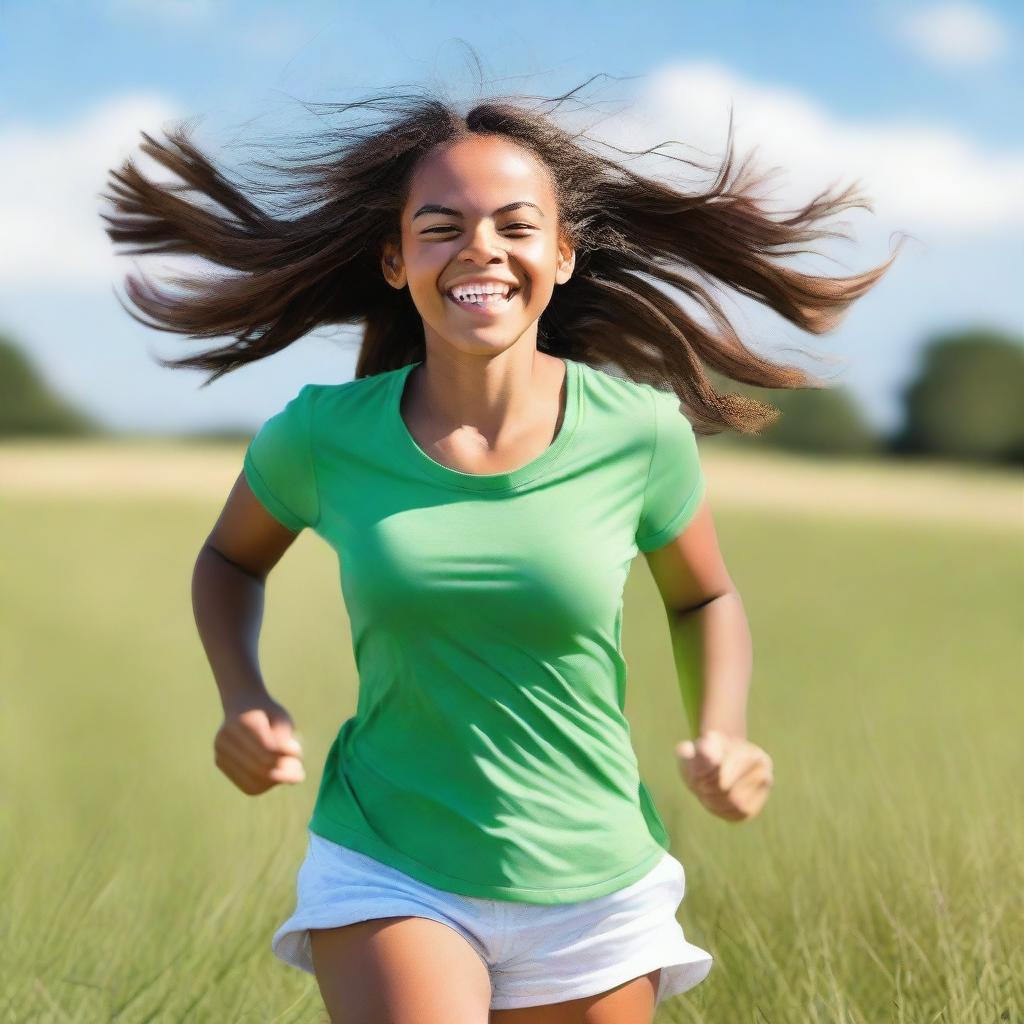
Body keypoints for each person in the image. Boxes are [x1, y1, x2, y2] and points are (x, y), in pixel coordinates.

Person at [102, 76, 903, 1023]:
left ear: (561, 257)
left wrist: (723, 730)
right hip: (392, 858)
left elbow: (703, 598)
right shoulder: (321, 435)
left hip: (595, 875)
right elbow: (230, 562)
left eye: (514, 226)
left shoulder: (639, 434)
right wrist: (245, 697)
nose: (480, 248)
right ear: (397, 261)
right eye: (441, 227)